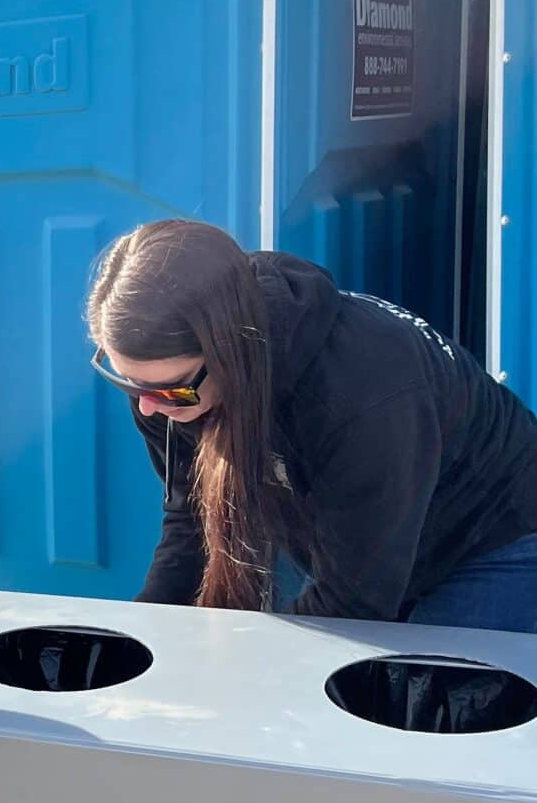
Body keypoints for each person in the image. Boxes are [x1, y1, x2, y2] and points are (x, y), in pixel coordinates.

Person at [86, 218, 537, 624]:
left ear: (228, 352)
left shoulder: (364, 392)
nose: (147, 407)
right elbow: (193, 519)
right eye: (127, 382)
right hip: (360, 535)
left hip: (493, 537)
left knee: (432, 701)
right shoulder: (165, 383)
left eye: (165, 389)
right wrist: (143, 634)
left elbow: (354, 604)